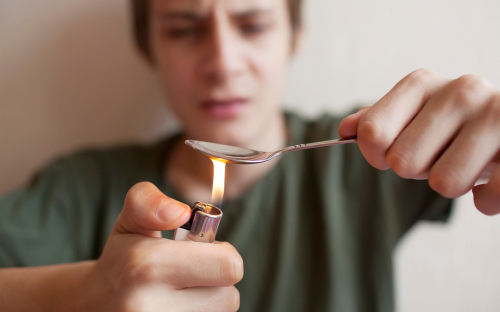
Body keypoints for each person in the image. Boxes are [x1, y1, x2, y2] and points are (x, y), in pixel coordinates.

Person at [0, 0, 499, 311]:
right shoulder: (81, 189)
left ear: (294, 35)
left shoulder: (369, 158)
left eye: (253, 24)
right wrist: (84, 293)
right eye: (184, 28)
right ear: (147, 46)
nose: (222, 62)